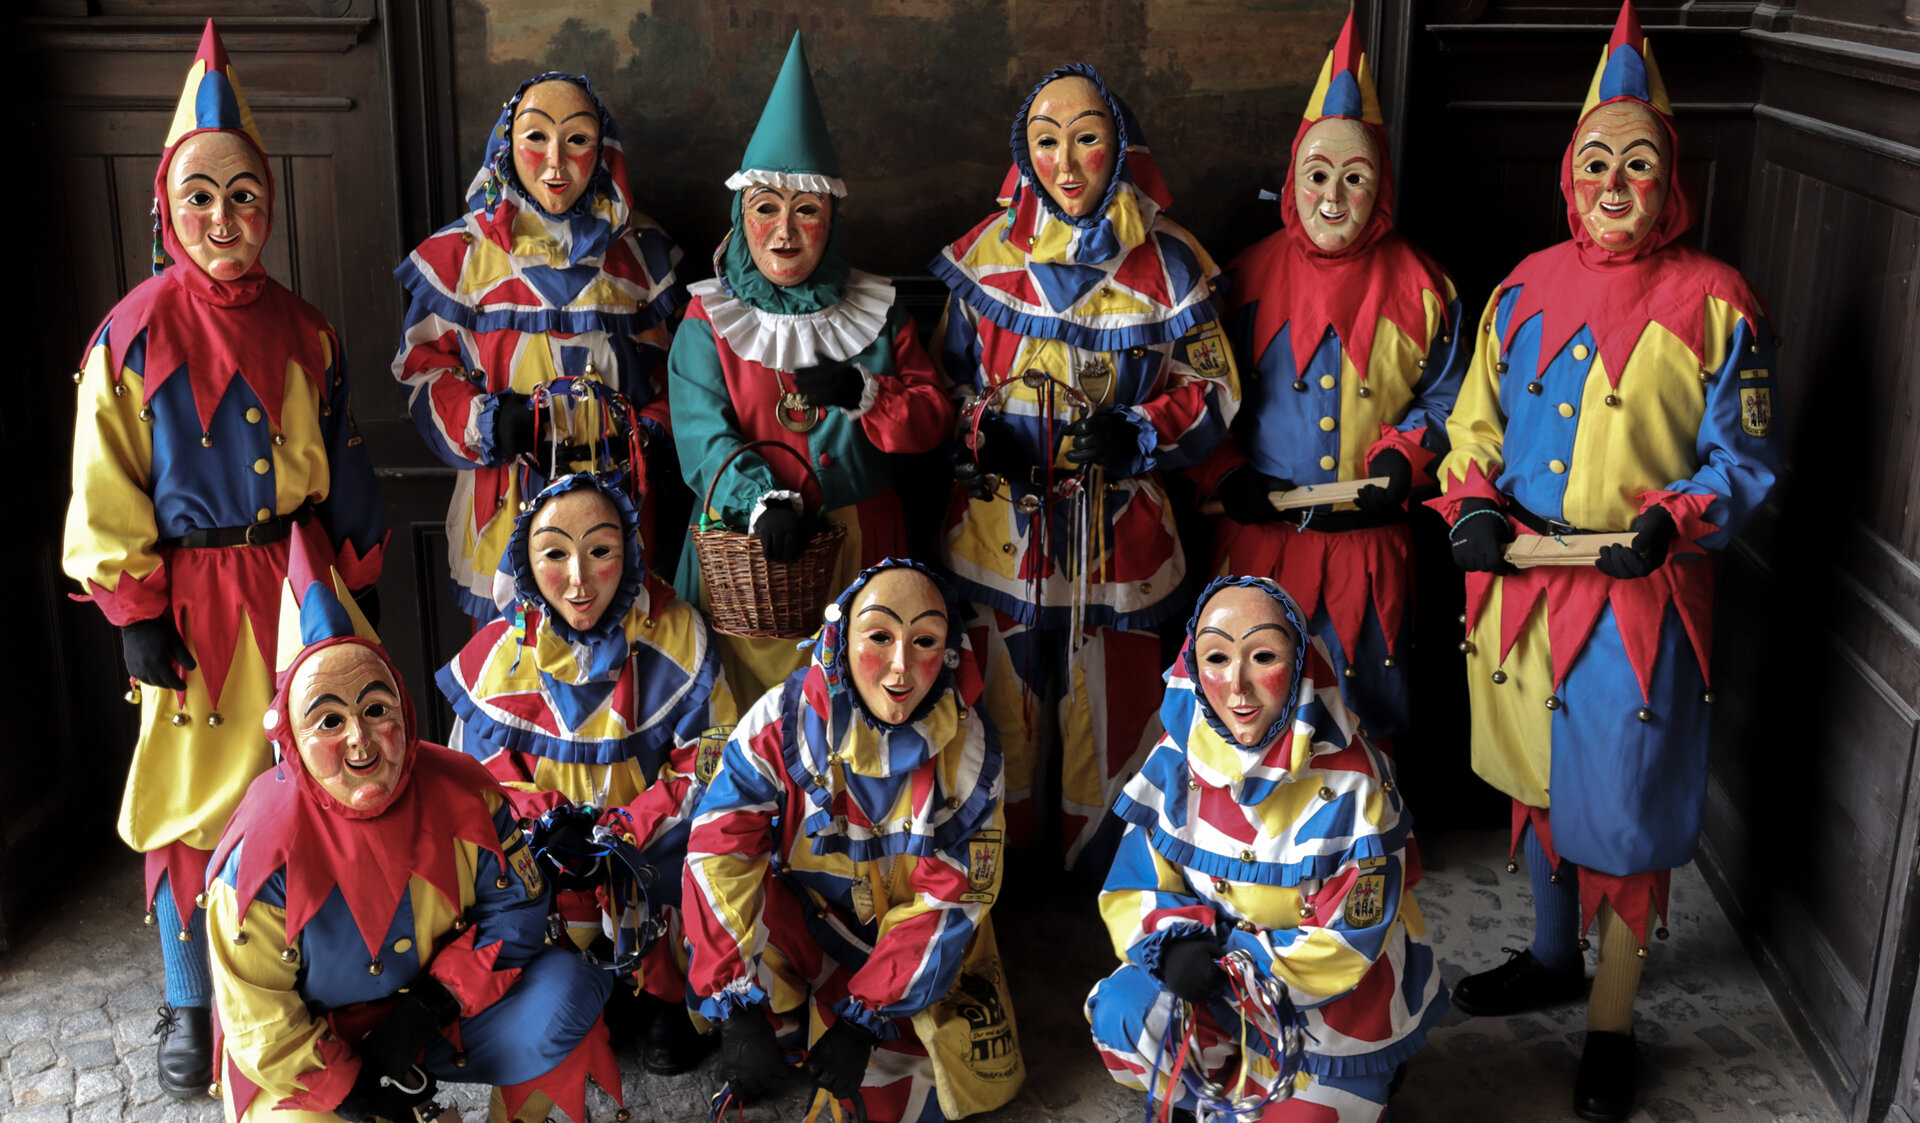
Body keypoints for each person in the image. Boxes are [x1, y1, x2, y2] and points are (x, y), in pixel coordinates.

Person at [1428, 3, 1782, 1117]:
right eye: (1595, 161)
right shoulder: (1520, 287)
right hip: (1525, 586)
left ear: (1669, 177)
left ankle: (1613, 1025)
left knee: (1624, 812)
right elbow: (1472, 426)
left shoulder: (1720, 303)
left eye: (1637, 162)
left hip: (1642, 600)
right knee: (1537, 784)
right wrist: (1469, 505)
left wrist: (1675, 520)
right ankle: (1550, 956)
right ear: (1568, 174)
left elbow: (1743, 458)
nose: (1614, 181)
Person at [61, 21, 387, 1096]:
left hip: (298, 587)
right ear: (167, 205)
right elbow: (105, 479)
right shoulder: (128, 335)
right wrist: (136, 611)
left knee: (315, 778)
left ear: (269, 205)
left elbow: (341, 460)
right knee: (189, 804)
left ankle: (308, 981)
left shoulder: (309, 331)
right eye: (200, 195)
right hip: (193, 601)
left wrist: (358, 576)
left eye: (243, 195)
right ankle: (190, 997)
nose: (223, 218)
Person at [930, 62, 1240, 873]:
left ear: (1121, 145)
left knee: (1114, 701)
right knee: (999, 695)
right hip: (1000, 533)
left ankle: (1112, 876)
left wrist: (1140, 429)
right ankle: (996, 867)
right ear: (1024, 153)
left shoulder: (1171, 260)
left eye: (1086, 139)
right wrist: (979, 435)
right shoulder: (985, 255)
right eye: (1046, 142)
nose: (1065, 164)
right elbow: (948, 380)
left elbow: (1213, 387)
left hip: (1120, 537)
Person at [203, 527, 619, 1123]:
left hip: (445, 1016)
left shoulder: (465, 792)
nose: (360, 739)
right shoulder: (257, 856)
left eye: (376, 710)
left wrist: (431, 1005)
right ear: (290, 738)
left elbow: (519, 910)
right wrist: (356, 1092)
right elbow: (259, 1018)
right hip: (315, 1051)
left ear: (404, 708)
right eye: (328, 721)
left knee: (565, 997)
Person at [1199, 14, 1467, 746]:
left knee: (1362, 719)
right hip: (1260, 540)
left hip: (1369, 553)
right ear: (1294, 179)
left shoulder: (1427, 286)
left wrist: (1405, 454)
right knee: (1248, 720)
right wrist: (1225, 473)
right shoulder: (1241, 280)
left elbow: (1452, 396)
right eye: (1318, 176)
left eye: (1355, 179)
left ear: (1380, 188)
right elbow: (1200, 392)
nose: (1333, 199)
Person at [1086, 576, 1446, 1121]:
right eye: (1216, 658)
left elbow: (1351, 937)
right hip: (1213, 981)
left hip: (1326, 1004)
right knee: (1122, 1013)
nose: (1237, 686)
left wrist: (1236, 967)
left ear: (1299, 664)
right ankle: (1214, 1090)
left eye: (1262, 657)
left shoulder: (1355, 784)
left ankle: (1363, 1076)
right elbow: (1135, 882)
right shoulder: (1175, 759)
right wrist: (1175, 945)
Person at [669, 33, 953, 702]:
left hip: (862, 549)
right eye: (765, 209)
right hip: (744, 552)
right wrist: (759, 501)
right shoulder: (708, 319)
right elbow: (702, 437)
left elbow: (933, 419)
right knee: (741, 718)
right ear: (741, 217)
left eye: (807, 211)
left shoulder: (880, 312)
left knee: (855, 714)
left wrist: (868, 393)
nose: (785, 232)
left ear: (833, 219)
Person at [685, 561, 1024, 1122]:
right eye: (880, 637)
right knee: (733, 970)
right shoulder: (780, 721)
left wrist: (865, 1021)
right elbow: (720, 850)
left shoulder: (971, 754)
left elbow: (951, 899)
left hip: (910, 943)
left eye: (924, 641)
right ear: (842, 640)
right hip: (805, 911)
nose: (901, 666)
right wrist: (735, 1005)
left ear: (949, 652)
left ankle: (862, 1018)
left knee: (902, 1088)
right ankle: (777, 1012)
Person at [437, 469, 738, 1073]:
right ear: (526, 559)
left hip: (653, 839)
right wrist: (550, 824)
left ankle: (669, 995)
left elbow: (709, 756)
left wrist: (626, 828)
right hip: (546, 847)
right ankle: (573, 988)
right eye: (555, 554)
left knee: (706, 852)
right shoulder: (501, 651)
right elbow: (480, 771)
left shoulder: (678, 636)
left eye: (600, 552)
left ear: (628, 552)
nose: (578, 580)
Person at [394, 69, 685, 621]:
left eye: (577, 139)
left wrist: (645, 431)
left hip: (619, 511)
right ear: (507, 145)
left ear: (602, 150)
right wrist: (484, 422)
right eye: (536, 137)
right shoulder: (460, 256)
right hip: (504, 507)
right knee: (512, 663)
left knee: (626, 654)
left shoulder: (643, 256)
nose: (556, 162)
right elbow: (423, 369)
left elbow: (684, 377)